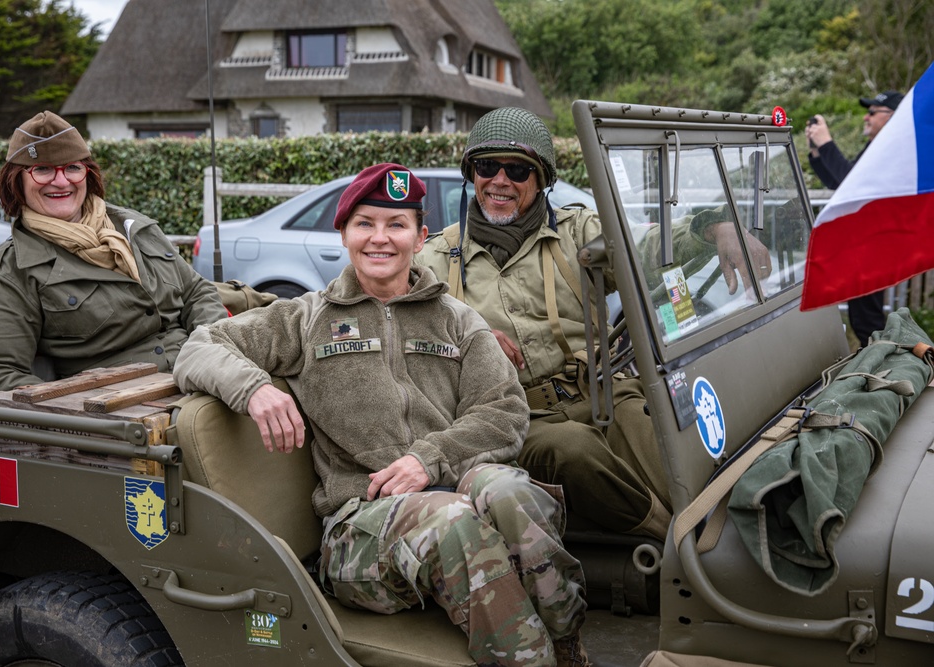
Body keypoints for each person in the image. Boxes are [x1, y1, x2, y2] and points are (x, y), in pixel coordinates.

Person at [173, 163, 591, 667]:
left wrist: (429, 459)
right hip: (357, 531)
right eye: (365, 223)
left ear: (420, 237)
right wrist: (256, 388)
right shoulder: (308, 318)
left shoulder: (456, 319)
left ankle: (568, 644)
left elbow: (503, 409)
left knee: (513, 493)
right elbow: (200, 346)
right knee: (453, 521)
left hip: (448, 490)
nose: (380, 238)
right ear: (344, 233)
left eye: (396, 225)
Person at [415, 107, 771, 540]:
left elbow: (645, 243)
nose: (500, 181)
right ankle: (674, 540)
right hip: (518, 414)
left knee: (669, 440)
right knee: (573, 451)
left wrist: (712, 227)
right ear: (472, 174)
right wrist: (472, 333)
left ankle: (730, 527)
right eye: (487, 166)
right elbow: (395, 323)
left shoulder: (576, 232)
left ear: (542, 178)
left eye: (518, 169)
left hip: (602, 390)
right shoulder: (434, 259)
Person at [0, 111, 227, 402]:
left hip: (201, 376)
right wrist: (86, 410)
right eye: (42, 169)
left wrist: (215, 352)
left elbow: (196, 291)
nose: (61, 181)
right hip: (129, 409)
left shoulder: (132, 227)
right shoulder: (12, 269)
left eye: (72, 167)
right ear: (17, 181)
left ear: (87, 173)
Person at [805, 90, 903, 347]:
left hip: (878, 243)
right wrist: (817, 153)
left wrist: (827, 143)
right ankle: (878, 363)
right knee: (863, 318)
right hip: (869, 242)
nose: (865, 118)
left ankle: (883, 369)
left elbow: (852, 183)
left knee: (867, 320)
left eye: (872, 112)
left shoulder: (893, 150)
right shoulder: (877, 146)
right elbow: (841, 183)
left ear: (891, 117)